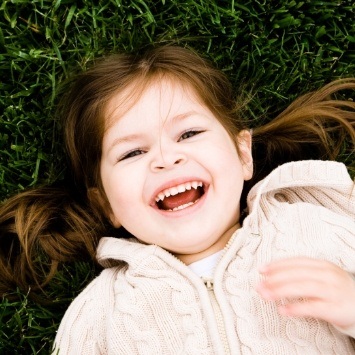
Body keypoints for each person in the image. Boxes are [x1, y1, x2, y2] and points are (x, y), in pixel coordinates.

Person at [0, 45, 355, 354]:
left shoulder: (312, 229)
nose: (166, 158)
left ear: (243, 153)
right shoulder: (100, 313)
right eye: (133, 152)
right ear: (106, 205)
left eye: (189, 133)